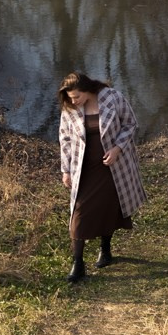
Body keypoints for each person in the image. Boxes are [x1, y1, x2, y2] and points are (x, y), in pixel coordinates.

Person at [57, 71, 147, 283]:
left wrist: (117, 149)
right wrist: (66, 169)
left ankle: (105, 250)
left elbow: (130, 123)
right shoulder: (70, 107)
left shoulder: (112, 97)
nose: (73, 100)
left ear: (87, 90)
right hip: (83, 168)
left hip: (112, 167)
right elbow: (65, 138)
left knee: (109, 207)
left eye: (77, 96)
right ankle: (77, 263)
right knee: (78, 214)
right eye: (70, 97)